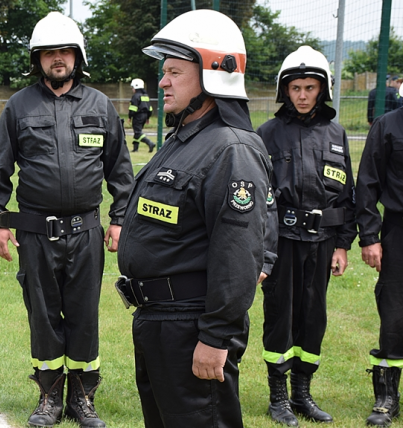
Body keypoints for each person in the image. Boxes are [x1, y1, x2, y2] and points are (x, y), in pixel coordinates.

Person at [115, 10, 271, 428]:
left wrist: (216, 336)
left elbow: (238, 251)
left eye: (174, 72)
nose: (162, 81)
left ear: (214, 74)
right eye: (163, 72)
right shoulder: (185, 139)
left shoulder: (231, 149)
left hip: (191, 326)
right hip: (160, 322)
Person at [0, 11, 133, 428]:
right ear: (38, 60)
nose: (58, 59)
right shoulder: (19, 106)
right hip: (34, 232)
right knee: (44, 314)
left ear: (77, 57)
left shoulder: (101, 106)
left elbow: (121, 169)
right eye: (49, 53)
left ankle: (82, 398)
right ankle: (49, 396)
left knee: (85, 314)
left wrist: (119, 218)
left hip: (86, 231)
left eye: (64, 51)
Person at [256, 46, 356, 426]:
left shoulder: (336, 133)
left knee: (313, 318)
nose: (301, 95)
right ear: (285, 90)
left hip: (323, 242)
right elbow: (259, 197)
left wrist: (344, 244)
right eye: (295, 87)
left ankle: (302, 393)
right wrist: (263, 249)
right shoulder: (267, 134)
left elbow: (346, 193)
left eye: (309, 88)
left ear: (323, 90)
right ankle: (278, 397)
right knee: (280, 315)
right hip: (281, 241)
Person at [356, 44, 403, 428]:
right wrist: (369, 237)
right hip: (402, 236)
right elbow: (367, 185)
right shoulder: (390, 126)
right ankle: (386, 399)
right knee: (396, 319)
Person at [128, 78, 155, 153]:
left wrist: (130, 116)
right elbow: (150, 108)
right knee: (137, 131)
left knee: (137, 132)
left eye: (133, 87)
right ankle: (135, 149)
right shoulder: (145, 96)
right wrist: (148, 117)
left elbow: (133, 108)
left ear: (136, 87)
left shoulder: (136, 96)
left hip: (138, 116)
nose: (132, 89)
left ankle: (150, 143)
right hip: (145, 116)